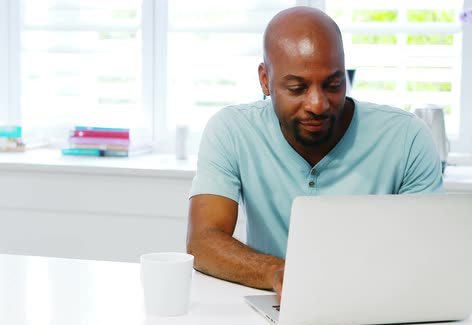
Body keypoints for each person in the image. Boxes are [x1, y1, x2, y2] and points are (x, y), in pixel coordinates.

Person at [186, 6, 443, 299]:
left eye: (333, 85)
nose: (318, 104)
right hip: (276, 303)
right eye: (297, 88)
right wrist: (278, 274)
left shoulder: (407, 137)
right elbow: (203, 242)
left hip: (377, 303)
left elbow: (426, 253)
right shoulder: (232, 130)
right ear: (265, 80)